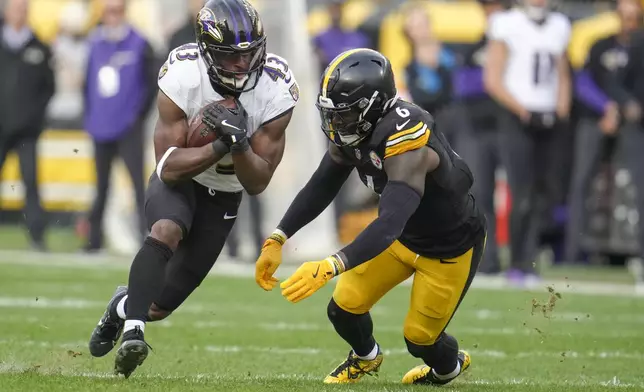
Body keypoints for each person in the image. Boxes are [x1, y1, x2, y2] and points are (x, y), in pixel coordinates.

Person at [87, 0, 298, 378]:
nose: (243, 64)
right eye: (231, 57)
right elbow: (167, 168)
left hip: (228, 190)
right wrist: (218, 145)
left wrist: (239, 144)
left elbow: (258, 181)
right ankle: (133, 331)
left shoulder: (277, 87)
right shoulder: (183, 73)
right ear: (207, 51)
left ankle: (122, 307)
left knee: (159, 306)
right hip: (183, 178)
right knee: (166, 230)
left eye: (250, 54)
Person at [255, 48, 486, 385]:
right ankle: (366, 357)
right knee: (344, 307)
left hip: (447, 249)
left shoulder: (408, 143)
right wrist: (279, 235)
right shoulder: (356, 130)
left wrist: (331, 264)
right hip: (403, 238)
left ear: (372, 107)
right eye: (331, 114)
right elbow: (323, 184)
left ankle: (449, 368)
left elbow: (390, 222)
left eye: (343, 115)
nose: (335, 123)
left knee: (420, 339)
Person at [484, 0, 572, 284]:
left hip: (548, 119)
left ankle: (531, 259)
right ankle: (518, 262)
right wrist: (523, 110)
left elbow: (562, 73)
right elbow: (493, 78)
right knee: (521, 193)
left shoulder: (560, 25)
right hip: (518, 117)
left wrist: (561, 110)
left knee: (541, 193)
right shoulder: (506, 23)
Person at [82, 0, 157, 252]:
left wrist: (137, 117)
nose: (111, 17)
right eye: (107, 12)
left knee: (137, 184)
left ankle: (146, 238)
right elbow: (87, 84)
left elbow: (150, 84)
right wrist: (90, 116)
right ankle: (94, 240)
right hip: (101, 124)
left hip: (128, 127)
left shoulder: (140, 43)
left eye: (116, 11)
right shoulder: (94, 43)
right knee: (100, 185)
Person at [453, 0, 507, 274]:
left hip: (513, 127)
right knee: (480, 193)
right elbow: (464, 85)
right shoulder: (475, 48)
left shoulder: (520, 43)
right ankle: (487, 257)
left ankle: (525, 258)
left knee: (525, 194)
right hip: (479, 129)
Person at [0, 0, 55, 251]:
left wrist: (35, 117)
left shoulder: (40, 47)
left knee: (31, 182)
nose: (19, 12)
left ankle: (36, 235)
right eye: (15, 7)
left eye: (23, 8)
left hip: (27, 131)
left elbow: (48, 87)